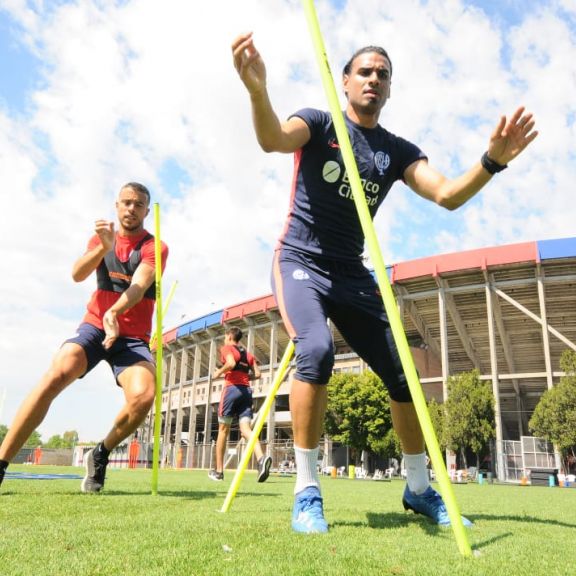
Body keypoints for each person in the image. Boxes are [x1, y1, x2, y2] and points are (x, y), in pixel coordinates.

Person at [232, 32, 537, 533]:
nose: (375, 79)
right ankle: (307, 490)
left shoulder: (395, 151)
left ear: (390, 89)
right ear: (345, 80)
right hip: (300, 262)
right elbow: (272, 140)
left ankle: (418, 489)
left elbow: (447, 195)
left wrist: (491, 162)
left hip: (352, 272)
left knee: (404, 378)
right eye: (366, 72)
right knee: (316, 351)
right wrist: (257, 91)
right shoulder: (318, 121)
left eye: (384, 74)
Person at [0, 183, 168, 493]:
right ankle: (1, 462)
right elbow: (77, 274)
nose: (132, 208)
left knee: (144, 396)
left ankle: (100, 453)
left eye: (139, 204)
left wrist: (115, 312)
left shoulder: (153, 246)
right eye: (127, 202)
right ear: (117, 205)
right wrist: (102, 248)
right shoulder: (101, 239)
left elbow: (140, 284)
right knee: (58, 371)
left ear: (147, 210)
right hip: (94, 326)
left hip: (132, 338)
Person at [208, 326, 272, 483]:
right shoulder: (248, 354)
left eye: (225, 336)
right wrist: (244, 377)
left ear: (230, 337)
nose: (224, 339)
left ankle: (219, 472)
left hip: (231, 390)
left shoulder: (227, 348)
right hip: (246, 392)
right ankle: (261, 458)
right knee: (246, 430)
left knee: (223, 430)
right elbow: (258, 374)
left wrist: (218, 372)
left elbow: (230, 363)